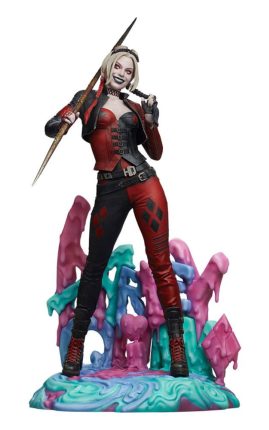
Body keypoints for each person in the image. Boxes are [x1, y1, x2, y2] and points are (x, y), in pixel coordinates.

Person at [45, 46, 188, 377]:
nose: (122, 73)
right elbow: (51, 128)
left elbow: (156, 152)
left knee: (161, 263)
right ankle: (76, 344)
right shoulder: (86, 100)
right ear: (108, 67)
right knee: (94, 266)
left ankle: (178, 346)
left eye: (129, 71)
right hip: (109, 189)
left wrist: (151, 121)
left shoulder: (136, 108)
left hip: (145, 184)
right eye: (119, 67)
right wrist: (64, 120)